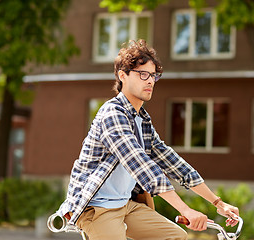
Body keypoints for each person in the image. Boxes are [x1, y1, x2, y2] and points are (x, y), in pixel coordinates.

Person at [57, 39, 239, 240]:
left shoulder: (141, 119)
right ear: (122, 76)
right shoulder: (112, 114)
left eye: (153, 75)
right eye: (143, 74)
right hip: (96, 207)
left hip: (125, 205)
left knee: (175, 236)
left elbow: (172, 162)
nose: (150, 81)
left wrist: (218, 203)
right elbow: (140, 165)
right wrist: (185, 210)